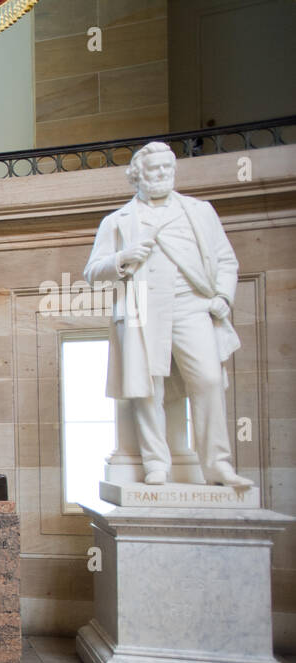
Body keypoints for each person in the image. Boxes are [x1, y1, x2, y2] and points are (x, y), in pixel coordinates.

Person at [84, 141, 251, 488]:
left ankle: (217, 463)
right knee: (147, 389)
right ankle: (155, 463)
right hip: (142, 307)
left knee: (207, 379)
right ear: (138, 176)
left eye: (167, 168)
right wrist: (123, 257)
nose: (161, 174)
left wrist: (223, 295)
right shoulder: (118, 221)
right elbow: (93, 271)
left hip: (192, 305)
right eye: (154, 169)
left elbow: (225, 260)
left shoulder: (199, 211)